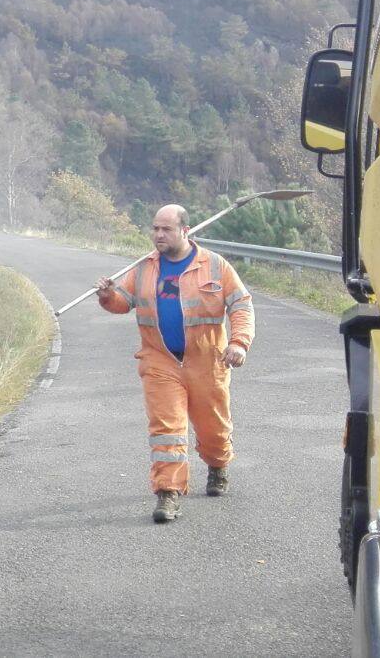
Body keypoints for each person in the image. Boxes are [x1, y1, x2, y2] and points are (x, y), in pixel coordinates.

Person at [95, 204, 254, 523]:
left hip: (207, 361)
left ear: (186, 230)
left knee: (214, 429)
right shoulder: (143, 268)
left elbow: (241, 306)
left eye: (166, 229)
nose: (158, 235)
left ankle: (218, 464)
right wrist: (107, 296)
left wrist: (238, 343)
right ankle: (168, 493)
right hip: (160, 362)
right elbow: (123, 303)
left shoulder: (214, 266)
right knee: (167, 429)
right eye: (155, 228)